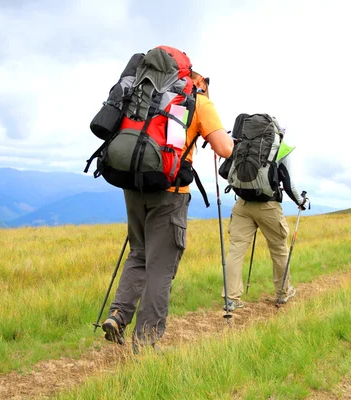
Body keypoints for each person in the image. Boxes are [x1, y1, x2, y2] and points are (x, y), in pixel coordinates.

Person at [102, 69, 234, 352]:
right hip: (170, 193)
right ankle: (146, 343)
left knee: (138, 254)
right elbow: (225, 149)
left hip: (134, 186)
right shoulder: (197, 102)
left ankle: (118, 315)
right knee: (161, 268)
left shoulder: (145, 93)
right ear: (198, 81)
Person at [222, 124, 306, 311]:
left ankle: (231, 298)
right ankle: (283, 293)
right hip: (268, 206)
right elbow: (288, 183)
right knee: (278, 250)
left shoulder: (245, 143)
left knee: (236, 250)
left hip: (242, 203)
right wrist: (301, 201)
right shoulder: (280, 149)